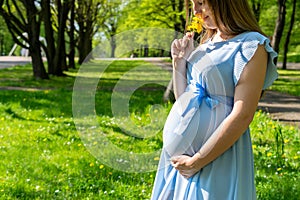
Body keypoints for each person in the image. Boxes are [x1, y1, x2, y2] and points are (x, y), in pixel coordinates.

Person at [151, 0, 278, 199]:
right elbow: (184, 102)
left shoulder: (251, 45)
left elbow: (243, 115)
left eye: (201, 2)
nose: (195, 10)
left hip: (216, 155)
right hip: (180, 163)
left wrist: (198, 161)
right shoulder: (206, 43)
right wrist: (179, 63)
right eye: (193, 3)